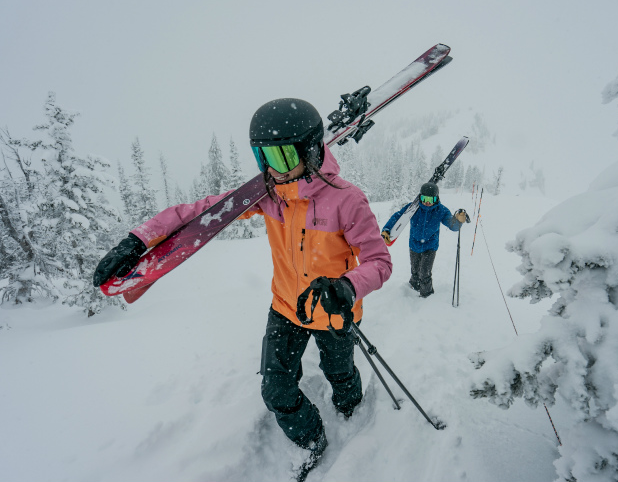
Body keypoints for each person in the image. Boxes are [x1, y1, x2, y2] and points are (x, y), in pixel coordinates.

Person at [93, 98, 392, 464]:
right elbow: (201, 212)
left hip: (333, 311)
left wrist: (347, 286)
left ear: (311, 151)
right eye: (263, 158)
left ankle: (351, 408)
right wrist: (139, 239)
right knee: (275, 389)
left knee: (340, 373)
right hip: (286, 306)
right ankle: (312, 440)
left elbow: (379, 261)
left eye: (282, 158)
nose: (273, 171)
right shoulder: (268, 197)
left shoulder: (348, 200)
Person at [381, 182, 466, 298]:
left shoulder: (441, 210)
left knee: (425, 273)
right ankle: (413, 287)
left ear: (436, 199)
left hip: (430, 246)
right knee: (415, 271)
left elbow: (452, 225)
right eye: (424, 198)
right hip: (414, 245)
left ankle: (427, 295)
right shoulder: (413, 208)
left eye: (430, 200)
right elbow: (397, 217)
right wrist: (387, 229)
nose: (427, 202)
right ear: (420, 197)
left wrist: (458, 221)